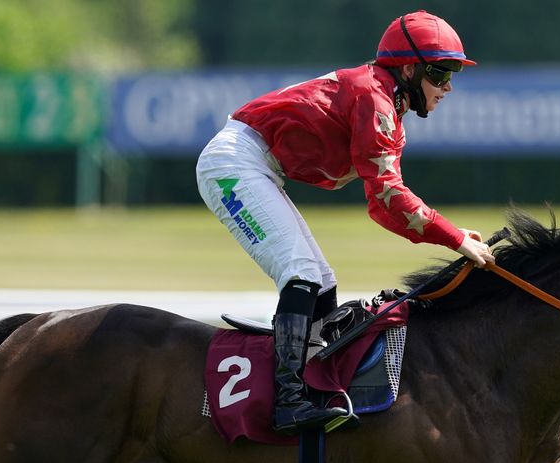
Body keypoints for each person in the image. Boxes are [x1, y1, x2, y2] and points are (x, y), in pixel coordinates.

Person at [196, 10, 495, 436]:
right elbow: (388, 200)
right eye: (440, 72)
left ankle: (317, 387)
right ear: (409, 69)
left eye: (452, 74)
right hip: (233, 163)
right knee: (300, 276)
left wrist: (451, 235)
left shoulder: (387, 103)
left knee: (322, 280)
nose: (448, 86)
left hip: (254, 163)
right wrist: (454, 238)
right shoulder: (375, 100)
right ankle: (288, 400)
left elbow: (385, 203)